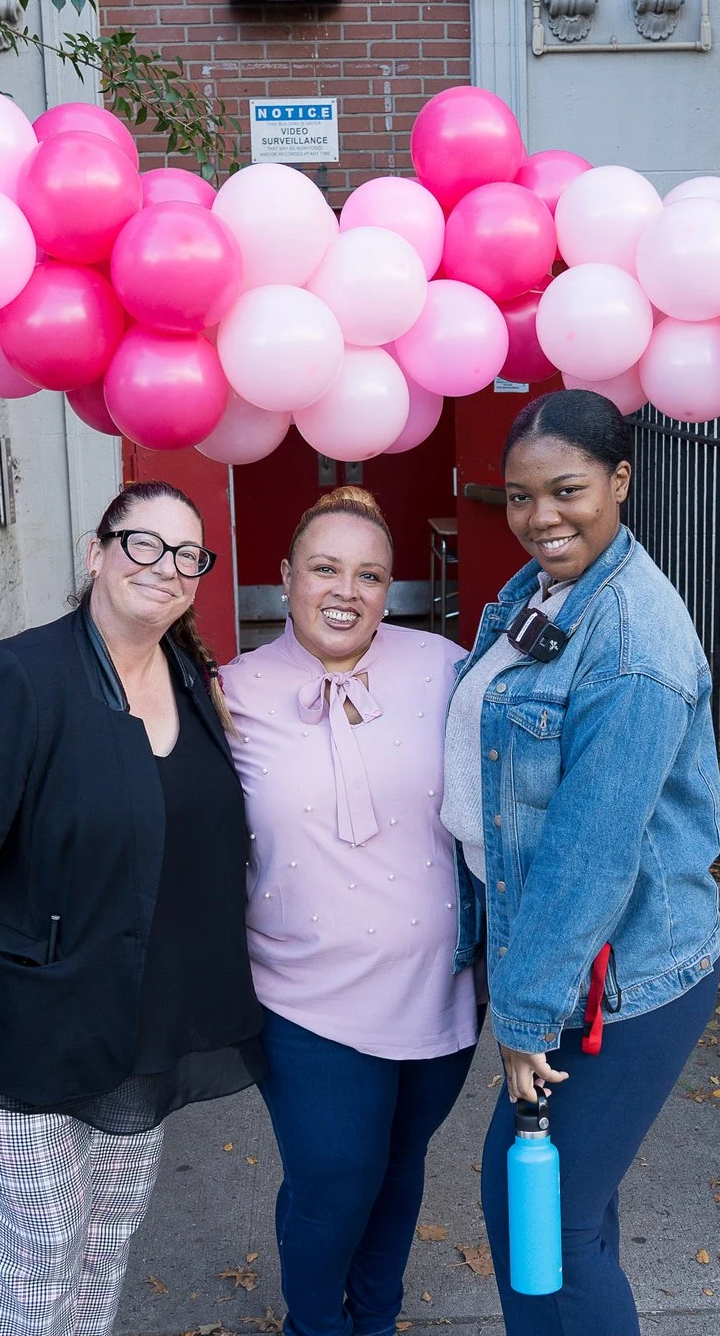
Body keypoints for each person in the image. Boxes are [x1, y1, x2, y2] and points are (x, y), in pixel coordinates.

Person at [0, 481, 263, 1336]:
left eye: (186, 555)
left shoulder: (191, 676)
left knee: (106, 1235)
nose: (164, 567)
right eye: (142, 544)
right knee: (42, 1244)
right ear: (97, 552)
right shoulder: (17, 678)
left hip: (143, 1027)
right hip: (19, 1031)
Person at [446, 389, 720, 1336]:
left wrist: (525, 1014)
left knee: (542, 1224)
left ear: (620, 481)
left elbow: (589, 852)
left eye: (565, 491)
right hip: (573, 966)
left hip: (618, 982)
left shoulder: (634, 642)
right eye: (521, 497)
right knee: (569, 1220)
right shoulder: (551, 590)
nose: (540, 518)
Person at [220, 487, 478, 1336]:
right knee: (335, 1174)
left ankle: (375, 1318)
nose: (346, 589)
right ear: (287, 576)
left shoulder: (442, 666)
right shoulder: (230, 695)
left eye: (370, 574)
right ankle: (313, 1327)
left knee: (399, 1167)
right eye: (325, 567)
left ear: (391, 587)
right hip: (302, 991)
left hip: (435, 983)